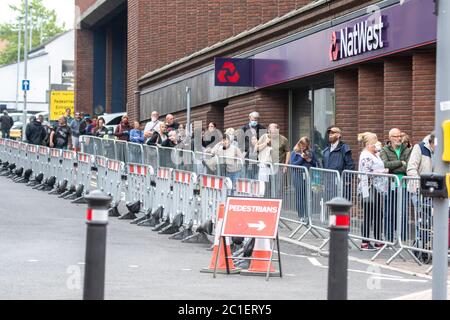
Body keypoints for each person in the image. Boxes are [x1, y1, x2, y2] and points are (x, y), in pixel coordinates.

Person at [358, 132, 389, 250]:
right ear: (368, 144)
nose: (376, 145)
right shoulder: (366, 155)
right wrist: (382, 171)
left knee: (377, 214)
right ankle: (365, 242)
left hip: (377, 189)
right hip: (369, 188)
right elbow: (367, 172)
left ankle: (377, 240)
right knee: (369, 215)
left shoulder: (375, 154)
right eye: (373, 143)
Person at [380, 128, 412, 242]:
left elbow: (408, 166)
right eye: (396, 136)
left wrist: (393, 168)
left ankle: (402, 239)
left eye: (400, 136)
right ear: (390, 138)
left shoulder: (407, 150)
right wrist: (399, 163)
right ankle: (388, 238)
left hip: (403, 186)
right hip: (389, 185)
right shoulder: (384, 150)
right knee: (389, 212)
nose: (399, 138)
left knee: (403, 212)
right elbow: (384, 164)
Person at [289, 137, 318, 221]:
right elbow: (293, 164)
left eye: (305, 146)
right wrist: (302, 158)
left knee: (309, 195)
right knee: (300, 196)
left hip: (309, 176)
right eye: (301, 145)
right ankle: (301, 215)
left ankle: (308, 214)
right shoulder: (295, 152)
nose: (302, 147)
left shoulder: (311, 152)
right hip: (298, 176)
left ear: (307, 145)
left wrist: (310, 160)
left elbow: (316, 163)